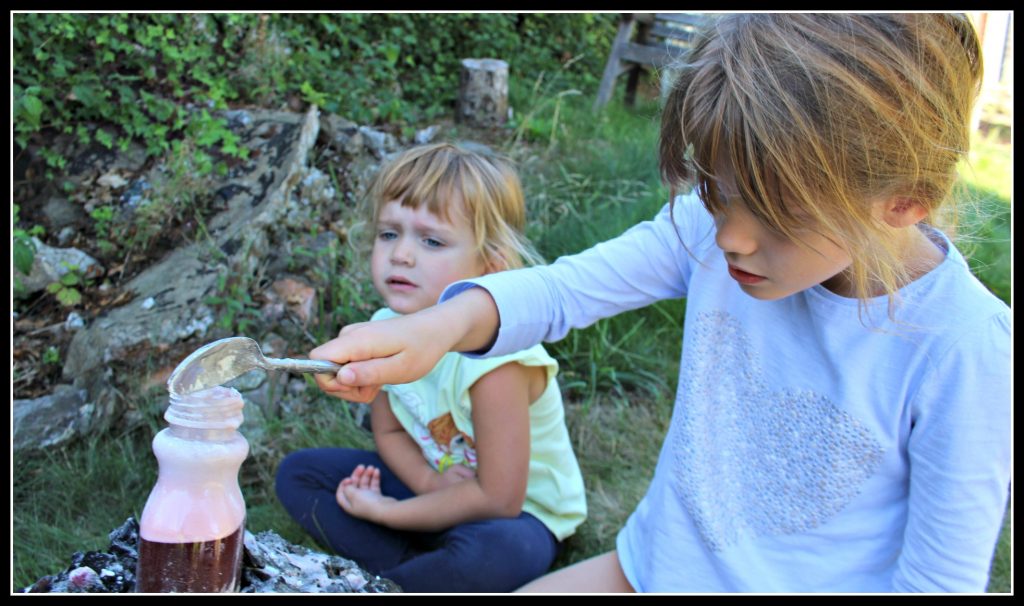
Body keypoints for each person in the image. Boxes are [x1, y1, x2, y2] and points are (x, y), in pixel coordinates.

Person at [305, 14, 1011, 593]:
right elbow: (562, 289)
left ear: (903, 201)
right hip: (649, 571)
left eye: (773, 212)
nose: (729, 237)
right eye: (715, 191)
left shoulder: (966, 351)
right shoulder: (710, 234)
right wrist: (438, 327)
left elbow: (938, 584)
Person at [276, 143, 587, 593]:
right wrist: (426, 481)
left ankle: (398, 578)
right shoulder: (382, 332)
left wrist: (384, 512)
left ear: (491, 265)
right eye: (388, 234)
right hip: (435, 486)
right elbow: (391, 434)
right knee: (300, 474)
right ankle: (415, 573)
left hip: (519, 517)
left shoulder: (499, 360)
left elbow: (499, 498)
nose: (401, 255)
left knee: (492, 554)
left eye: (432, 240)